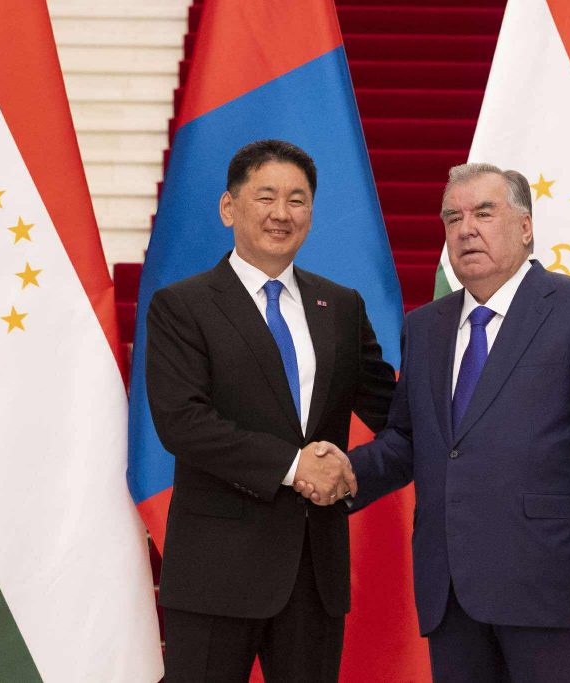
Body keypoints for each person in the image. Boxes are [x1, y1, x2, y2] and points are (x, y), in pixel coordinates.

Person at [298, 162, 570, 682]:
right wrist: (345, 472)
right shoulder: (425, 326)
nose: (466, 229)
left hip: (549, 582)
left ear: (525, 227)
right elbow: (409, 439)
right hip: (451, 588)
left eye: (484, 213)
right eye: (453, 218)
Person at [145, 139, 396, 682]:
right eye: (265, 197)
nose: (282, 213)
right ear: (229, 207)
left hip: (314, 572)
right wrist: (294, 465)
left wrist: (352, 472)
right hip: (216, 572)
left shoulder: (341, 306)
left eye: (297, 200)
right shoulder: (182, 306)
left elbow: (397, 414)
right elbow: (183, 423)